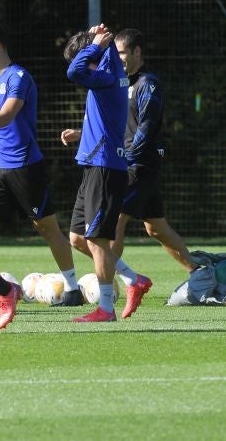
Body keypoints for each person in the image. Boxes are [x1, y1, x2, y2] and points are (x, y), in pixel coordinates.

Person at [0, 22, 80, 331]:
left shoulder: (19, 78)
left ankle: (72, 288)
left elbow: (6, 115)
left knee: (45, 227)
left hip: (26, 168)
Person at [62, 23, 139, 322]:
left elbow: (75, 72)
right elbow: (106, 122)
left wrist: (94, 45)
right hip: (96, 164)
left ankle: (106, 309)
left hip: (105, 168)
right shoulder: (108, 75)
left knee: (96, 239)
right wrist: (82, 135)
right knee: (78, 237)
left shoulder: (106, 75)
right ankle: (133, 278)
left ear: (92, 58)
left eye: (81, 57)